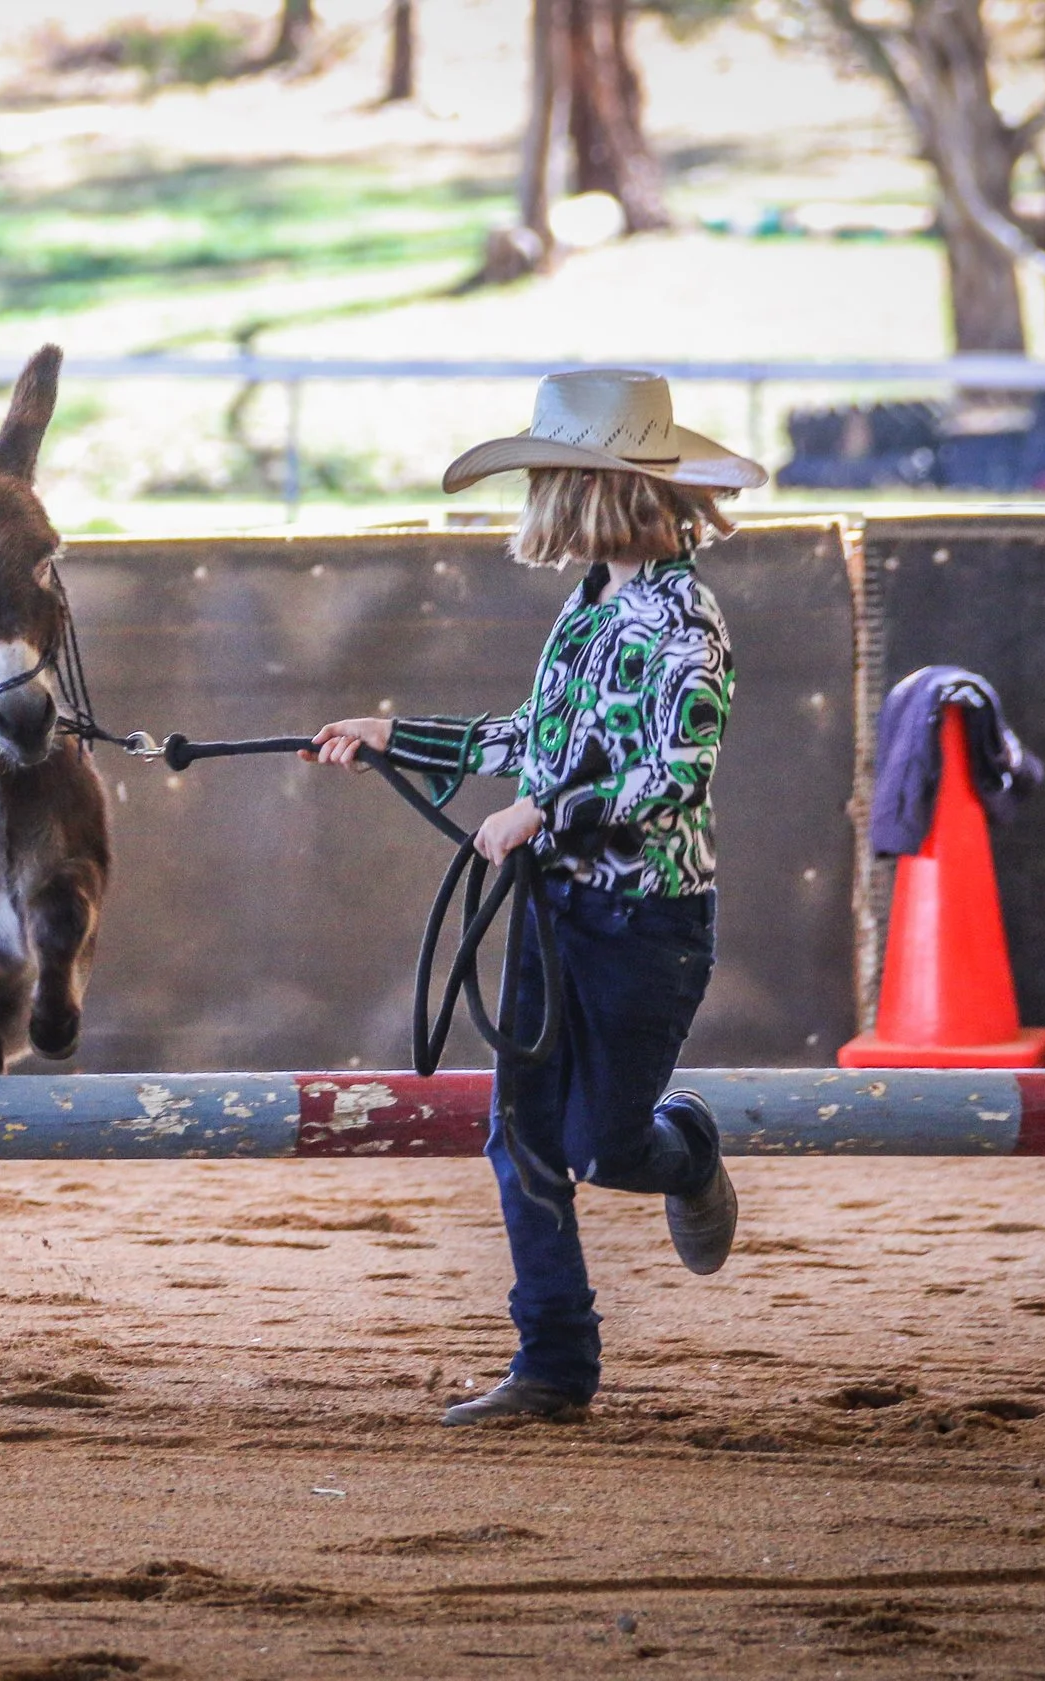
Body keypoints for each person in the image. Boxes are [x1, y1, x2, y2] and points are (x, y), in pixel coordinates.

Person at [308, 368, 760, 1424]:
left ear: (588, 492)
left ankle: (683, 1147)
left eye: (544, 482)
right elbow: (532, 735)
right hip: (559, 912)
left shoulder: (684, 624)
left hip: (645, 922)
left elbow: (670, 776)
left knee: (605, 1144)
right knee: (519, 1135)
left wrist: (543, 817)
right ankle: (554, 1365)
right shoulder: (592, 601)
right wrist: (396, 737)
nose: (534, 506)